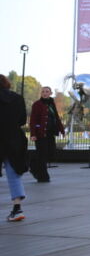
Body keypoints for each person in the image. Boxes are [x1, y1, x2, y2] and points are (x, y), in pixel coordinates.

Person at [0, 74, 28, 222]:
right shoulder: (18, 98)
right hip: (13, 138)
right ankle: (17, 209)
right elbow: (22, 120)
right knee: (14, 174)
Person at [29, 86, 65, 182]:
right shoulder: (37, 104)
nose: (44, 93)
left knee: (50, 153)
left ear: (50, 93)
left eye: (47, 91)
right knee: (42, 155)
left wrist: (61, 129)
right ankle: (43, 176)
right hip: (40, 134)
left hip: (50, 133)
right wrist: (33, 134)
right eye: (43, 92)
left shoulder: (51, 104)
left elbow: (56, 117)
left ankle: (33, 165)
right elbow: (33, 120)